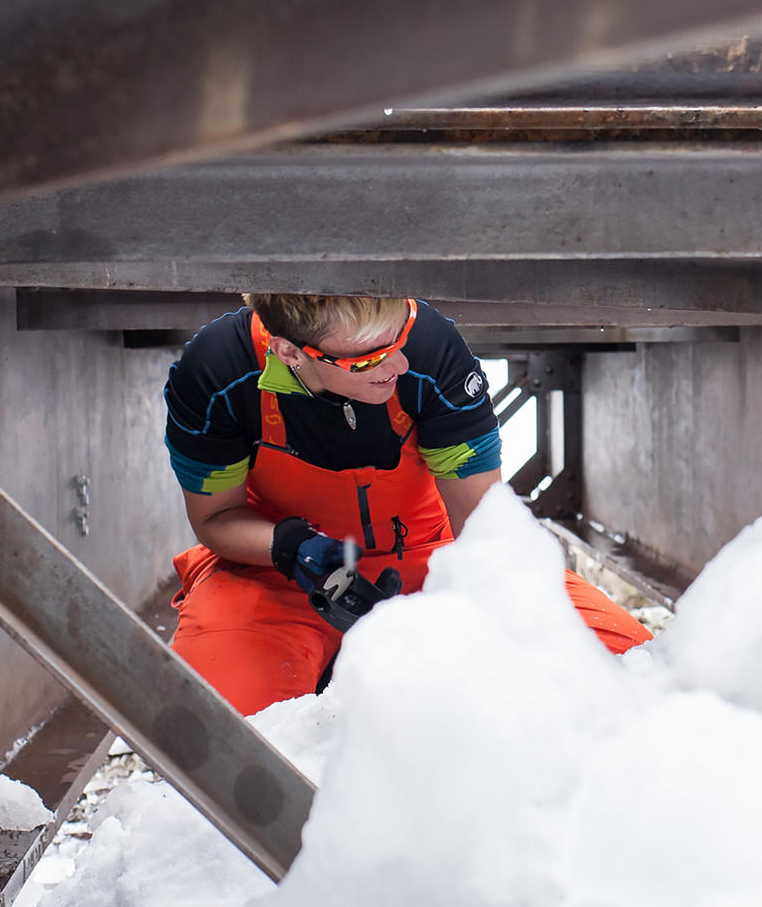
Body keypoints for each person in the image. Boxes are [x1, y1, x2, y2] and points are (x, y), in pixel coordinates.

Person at [161, 293, 651, 714]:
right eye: (368, 360)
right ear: (291, 351)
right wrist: (291, 547)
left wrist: (480, 618)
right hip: (279, 573)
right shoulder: (216, 375)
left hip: (434, 558)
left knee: (627, 668)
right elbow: (216, 518)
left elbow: (482, 529)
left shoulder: (432, 352)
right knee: (216, 729)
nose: (398, 364)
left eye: (399, 339)